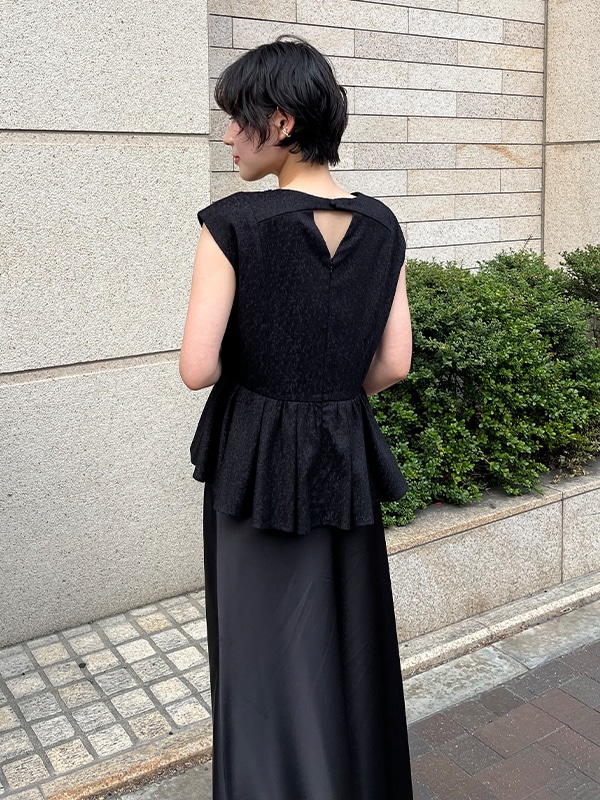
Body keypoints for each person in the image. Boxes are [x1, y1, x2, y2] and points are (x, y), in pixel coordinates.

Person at [179, 36, 413, 800]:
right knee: (344, 644)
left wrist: (273, 375)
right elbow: (394, 364)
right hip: (344, 452)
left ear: (279, 122)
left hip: (254, 462)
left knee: (260, 654)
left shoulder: (233, 224)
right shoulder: (383, 226)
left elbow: (197, 367)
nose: (227, 136)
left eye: (236, 118)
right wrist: (326, 390)